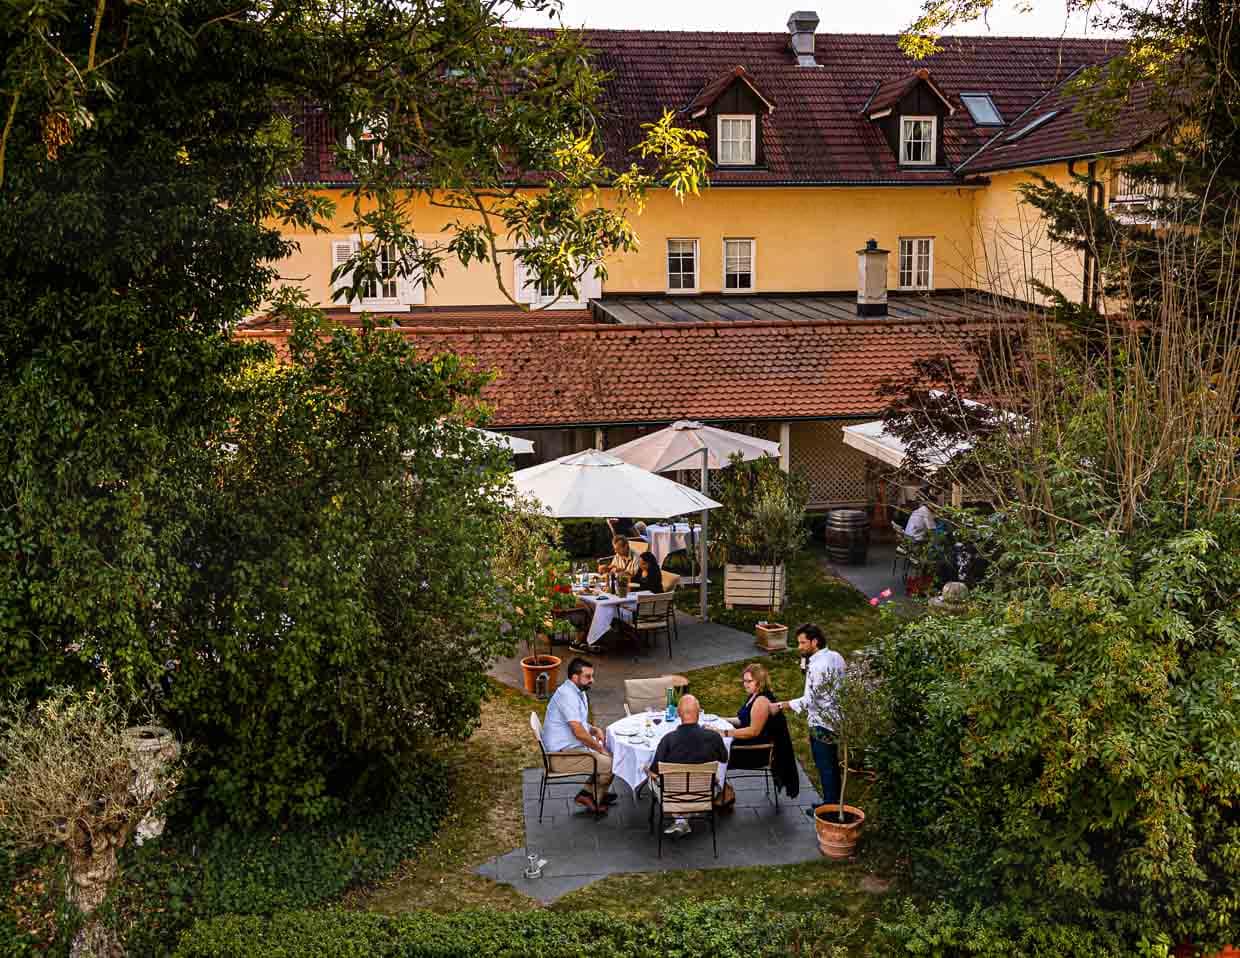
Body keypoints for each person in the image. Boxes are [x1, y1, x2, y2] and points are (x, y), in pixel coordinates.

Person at [772, 624, 846, 814]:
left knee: (825, 766)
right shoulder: (835, 657)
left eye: (803, 642)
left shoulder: (819, 666)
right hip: (837, 718)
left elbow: (809, 699)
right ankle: (831, 803)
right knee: (831, 765)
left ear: (815, 642)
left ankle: (829, 810)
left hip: (822, 722)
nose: (800, 646)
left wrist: (782, 705)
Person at [540, 657, 616, 814]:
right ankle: (590, 795)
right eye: (588, 676)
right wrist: (600, 749)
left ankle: (594, 792)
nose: (592, 680)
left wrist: (594, 730)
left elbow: (580, 724)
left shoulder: (577, 691)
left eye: (592, 676)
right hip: (560, 757)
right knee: (612, 763)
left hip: (569, 747)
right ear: (575, 677)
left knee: (613, 754)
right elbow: (578, 732)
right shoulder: (567, 695)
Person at [647, 694, 728, 836]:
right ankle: (685, 817)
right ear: (699, 712)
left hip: (672, 798)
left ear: (678, 714)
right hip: (704, 795)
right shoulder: (713, 737)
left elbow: (655, 772)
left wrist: (645, 769)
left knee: (650, 773)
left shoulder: (668, 740)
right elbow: (724, 758)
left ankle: (680, 818)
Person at [720, 663, 799, 800]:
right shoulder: (754, 695)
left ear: (759, 681)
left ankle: (721, 792)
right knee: (714, 747)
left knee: (714, 752)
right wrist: (719, 719)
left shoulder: (761, 700)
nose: (745, 684)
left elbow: (753, 731)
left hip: (756, 752)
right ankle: (720, 790)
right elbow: (742, 720)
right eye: (744, 681)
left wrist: (725, 732)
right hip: (749, 743)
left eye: (749, 681)